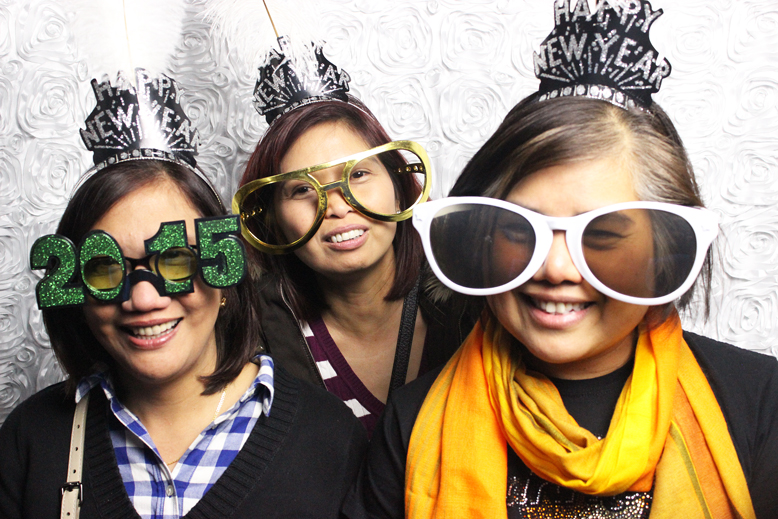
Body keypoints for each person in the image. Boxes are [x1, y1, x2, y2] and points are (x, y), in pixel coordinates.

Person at [343, 2, 778, 517]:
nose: (555, 268)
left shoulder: (759, 400)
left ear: (663, 250)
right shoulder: (410, 422)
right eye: (518, 229)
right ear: (482, 239)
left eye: (603, 234)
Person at [0, 72, 366, 519]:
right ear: (77, 289)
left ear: (223, 273)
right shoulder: (31, 438)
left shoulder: (329, 437)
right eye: (105, 268)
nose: (143, 300)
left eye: (175, 261)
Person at [235, 46, 474, 435]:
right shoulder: (253, 339)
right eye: (302, 189)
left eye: (359, 175)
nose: (337, 206)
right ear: (273, 220)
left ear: (398, 185)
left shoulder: (476, 301)